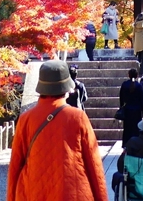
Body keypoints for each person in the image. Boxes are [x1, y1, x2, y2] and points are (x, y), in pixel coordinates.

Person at [7, 60, 108, 201]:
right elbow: (93, 164)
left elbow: (15, 165)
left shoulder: (25, 119)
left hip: (32, 191)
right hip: (72, 192)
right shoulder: (77, 116)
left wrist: (11, 197)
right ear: (67, 89)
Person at [120, 68, 143, 143]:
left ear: (129, 75)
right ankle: (136, 143)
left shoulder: (124, 85)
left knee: (127, 129)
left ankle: (126, 143)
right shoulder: (139, 86)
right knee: (136, 129)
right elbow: (142, 100)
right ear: (137, 75)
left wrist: (121, 107)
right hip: (137, 111)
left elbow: (121, 98)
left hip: (127, 110)